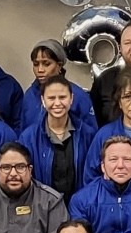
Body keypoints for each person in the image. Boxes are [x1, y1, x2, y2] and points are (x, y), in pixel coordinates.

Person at [19, 75, 98, 203]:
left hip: (79, 208)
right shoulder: (28, 138)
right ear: (43, 101)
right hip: (42, 209)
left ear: (71, 99)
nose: (57, 103)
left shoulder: (88, 134)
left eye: (62, 97)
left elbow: (93, 175)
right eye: (51, 98)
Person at [19, 39, 95, 131]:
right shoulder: (29, 95)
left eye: (46, 64)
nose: (40, 69)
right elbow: (22, 130)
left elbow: (91, 133)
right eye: (36, 64)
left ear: (59, 65)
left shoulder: (78, 96)